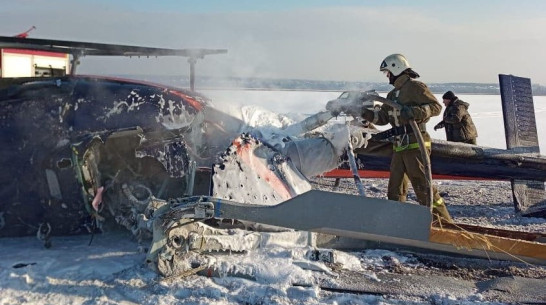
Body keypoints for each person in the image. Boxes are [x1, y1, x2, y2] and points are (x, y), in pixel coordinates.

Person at [327, 53, 453, 223]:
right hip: (399, 147)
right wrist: (358, 111)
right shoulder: (392, 96)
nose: (387, 76)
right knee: (395, 189)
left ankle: (444, 224)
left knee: (423, 186)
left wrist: (415, 112)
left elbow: (436, 107)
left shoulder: (416, 88)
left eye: (388, 73)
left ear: (396, 69)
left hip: (416, 144)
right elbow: (382, 118)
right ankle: (396, 223)